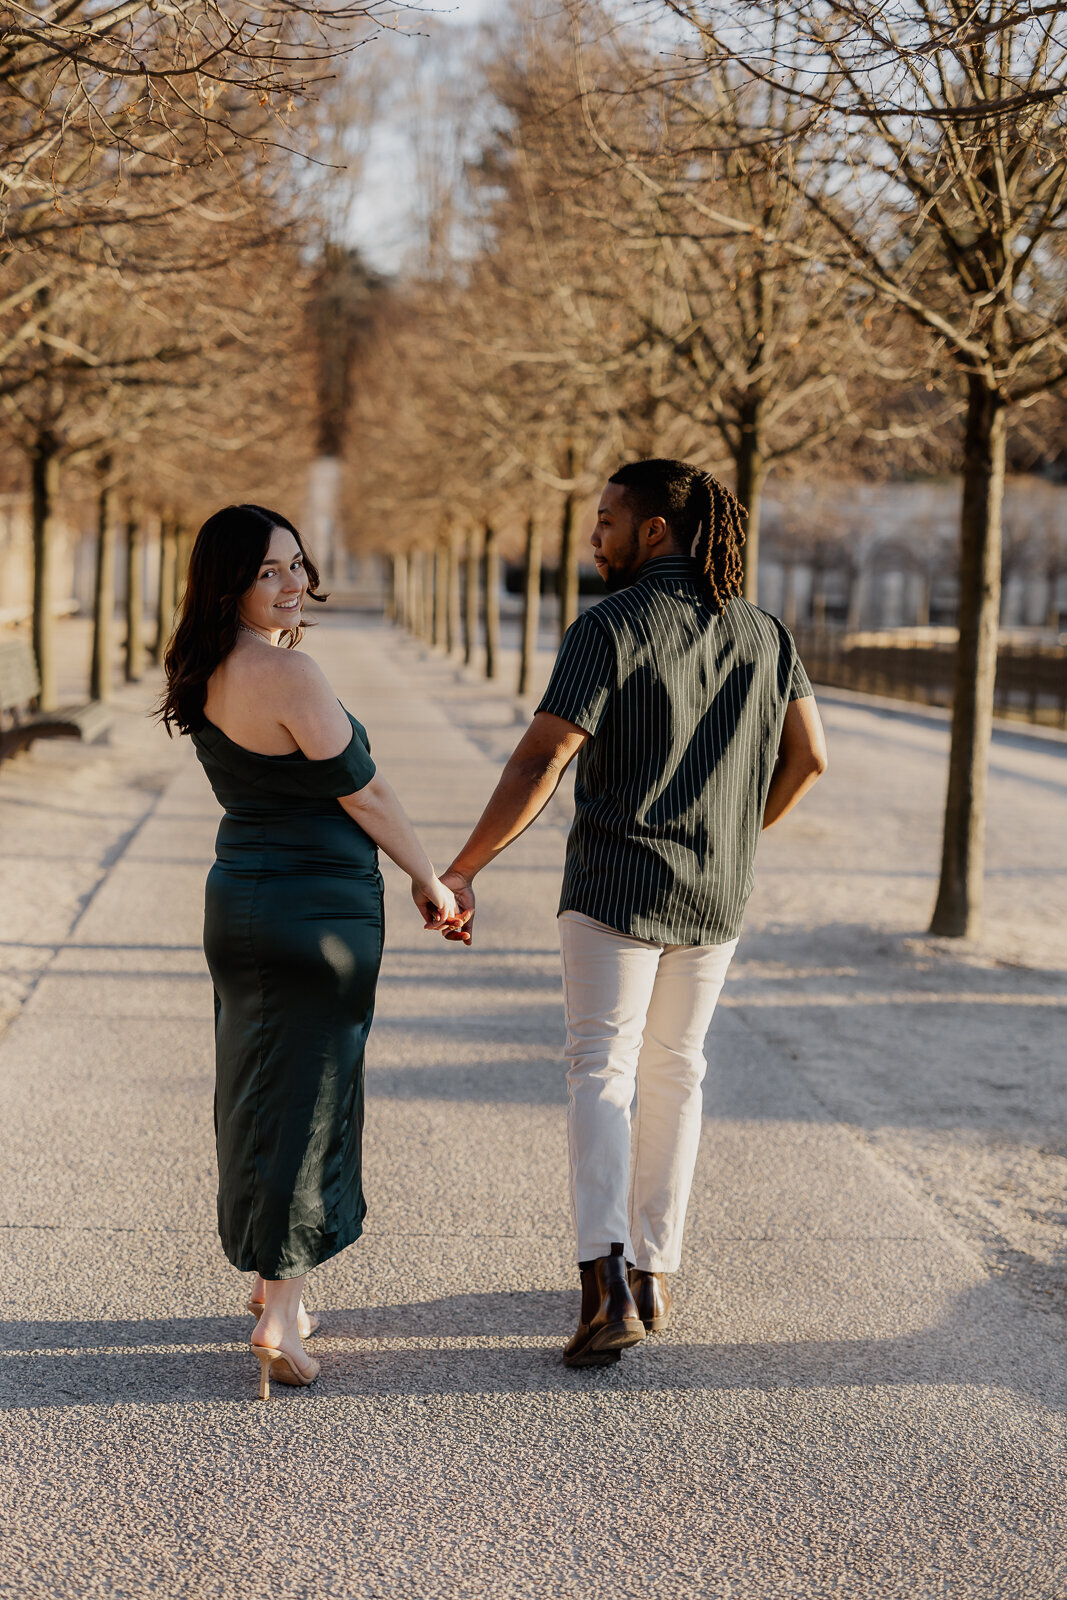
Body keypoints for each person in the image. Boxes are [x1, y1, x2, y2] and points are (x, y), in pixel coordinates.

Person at [438, 459, 827, 1367]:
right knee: (677, 1072)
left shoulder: (607, 626)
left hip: (615, 885)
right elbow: (808, 757)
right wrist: (734, 835)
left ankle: (602, 1284)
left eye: (607, 519)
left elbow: (542, 760)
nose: (595, 535)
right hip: (714, 894)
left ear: (655, 530)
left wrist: (463, 868)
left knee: (600, 1071)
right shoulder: (765, 633)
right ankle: (653, 1276)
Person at [159, 505, 465, 1399]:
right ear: (230, 585)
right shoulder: (291, 673)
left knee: (255, 1089)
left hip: (240, 903)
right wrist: (431, 880)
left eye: (297, 564)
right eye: (269, 573)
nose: (294, 583)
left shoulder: (201, 666)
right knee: (312, 1099)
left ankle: (268, 1277)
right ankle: (279, 1313)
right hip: (319, 912)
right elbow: (363, 796)